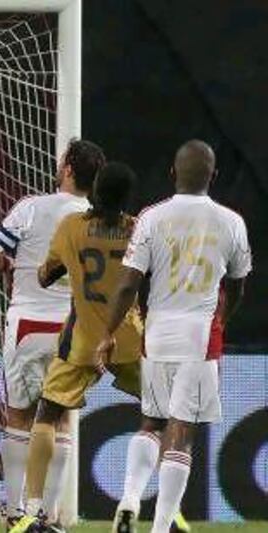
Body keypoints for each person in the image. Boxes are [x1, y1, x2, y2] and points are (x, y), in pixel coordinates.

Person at [98, 140, 251, 533]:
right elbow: (237, 285)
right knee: (182, 433)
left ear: (172, 173)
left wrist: (108, 332)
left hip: (158, 332)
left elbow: (128, 283)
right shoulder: (231, 222)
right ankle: (161, 526)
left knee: (151, 421)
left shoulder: (151, 217)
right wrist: (222, 316)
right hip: (200, 336)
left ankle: (130, 498)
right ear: (213, 176)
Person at [10, 162, 143, 533]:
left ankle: (32, 513)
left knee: (48, 414)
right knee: (162, 418)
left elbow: (45, 274)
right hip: (129, 340)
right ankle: (147, 504)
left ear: (96, 191)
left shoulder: (72, 228)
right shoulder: (137, 230)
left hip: (83, 340)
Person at [0, 139, 106, 528]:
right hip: (73, 329)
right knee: (63, 418)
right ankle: (51, 516)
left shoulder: (31, 207)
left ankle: (17, 514)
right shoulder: (98, 219)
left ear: (67, 167)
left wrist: (12, 267)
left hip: (27, 325)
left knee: (19, 416)